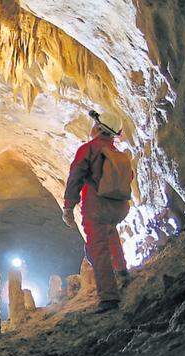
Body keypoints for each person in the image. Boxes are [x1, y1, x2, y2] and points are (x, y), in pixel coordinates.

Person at [62, 111, 132, 313]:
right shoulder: (117, 154)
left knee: (98, 250)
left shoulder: (89, 149)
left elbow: (75, 177)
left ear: (99, 128)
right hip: (118, 208)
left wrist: (68, 206)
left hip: (97, 208)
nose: (92, 126)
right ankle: (122, 271)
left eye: (95, 123)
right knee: (111, 234)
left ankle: (109, 298)